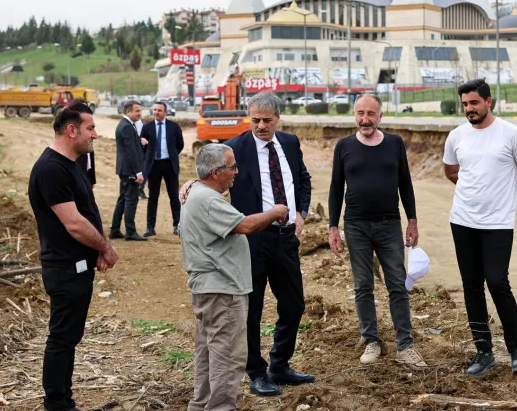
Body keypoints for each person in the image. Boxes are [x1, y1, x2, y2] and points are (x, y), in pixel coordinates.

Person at [442, 78, 517, 376]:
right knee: (471, 286)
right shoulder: (456, 136)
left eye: (474, 103)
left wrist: (505, 193)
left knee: (497, 281)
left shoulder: (511, 134)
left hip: (498, 223)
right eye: (465, 105)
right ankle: (483, 352)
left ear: (489, 102)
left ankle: (516, 350)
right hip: (462, 221)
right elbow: (450, 170)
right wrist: (472, 190)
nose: (469, 109)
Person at [180, 144, 288, 411]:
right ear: (216, 172)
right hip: (222, 290)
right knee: (227, 357)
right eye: (232, 167)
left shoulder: (196, 192)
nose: (236, 172)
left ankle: (201, 404)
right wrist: (276, 212)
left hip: (210, 288)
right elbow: (246, 225)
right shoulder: (207, 199)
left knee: (209, 353)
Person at [28, 102, 119, 411]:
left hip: (75, 266)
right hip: (64, 269)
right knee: (63, 338)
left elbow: (83, 216)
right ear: (71, 130)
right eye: (90, 128)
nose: (94, 134)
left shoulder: (71, 164)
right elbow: (75, 223)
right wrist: (104, 247)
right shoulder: (52, 168)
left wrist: (95, 251)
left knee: (68, 336)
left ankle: (62, 400)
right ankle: (57, 404)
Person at [224, 91, 313, 396]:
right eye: (255, 120)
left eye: (266, 120)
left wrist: (301, 211)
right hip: (252, 240)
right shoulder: (235, 147)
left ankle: (280, 365)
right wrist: (190, 184)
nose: (260, 126)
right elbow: (210, 174)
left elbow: (302, 178)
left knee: (294, 305)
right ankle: (257, 372)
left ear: (278, 118)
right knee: (252, 309)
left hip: (286, 239)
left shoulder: (289, 143)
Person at [327, 94, 427, 368]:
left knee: (397, 283)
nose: (365, 119)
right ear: (354, 115)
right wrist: (333, 227)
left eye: (371, 114)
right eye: (360, 113)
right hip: (356, 225)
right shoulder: (344, 146)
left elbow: (405, 184)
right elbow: (336, 188)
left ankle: (405, 344)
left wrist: (413, 220)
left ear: (380, 116)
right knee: (363, 286)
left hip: (389, 224)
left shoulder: (394, 144)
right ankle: (371, 340)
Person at [141, 101, 184, 237]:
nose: (156, 112)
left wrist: (171, 155)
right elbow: (143, 146)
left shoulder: (174, 127)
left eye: (159, 110)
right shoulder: (147, 127)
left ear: (165, 112)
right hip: (153, 166)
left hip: (170, 165)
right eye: (154, 110)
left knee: (174, 196)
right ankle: (150, 227)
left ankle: (177, 225)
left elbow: (180, 144)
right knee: (153, 196)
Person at [110, 100, 148, 241]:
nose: (140, 113)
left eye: (140, 110)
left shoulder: (127, 125)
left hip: (125, 169)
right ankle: (130, 232)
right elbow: (130, 151)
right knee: (131, 200)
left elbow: (131, 143)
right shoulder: (126, 126)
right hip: (129, 169)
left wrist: (140, 140)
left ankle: (114, 230)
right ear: (128, 112)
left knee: (122, 199)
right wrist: (138, 172)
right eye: (137, 110)